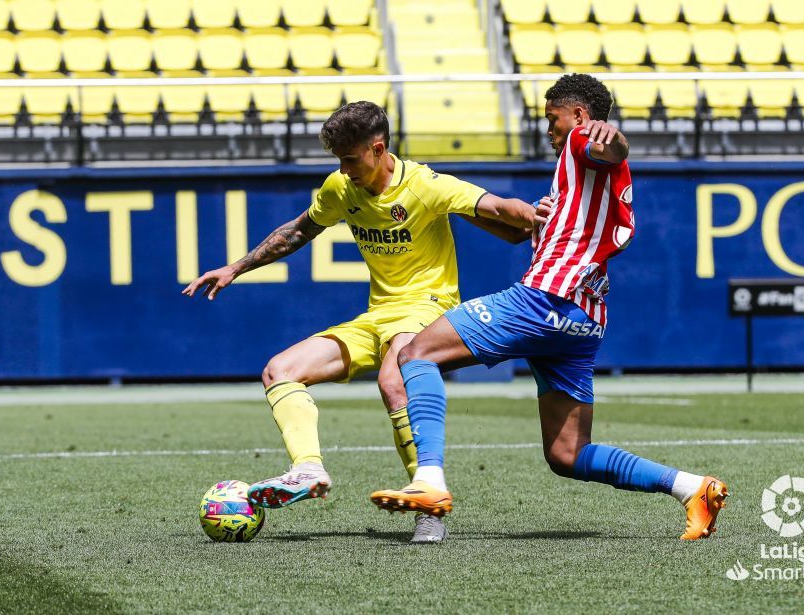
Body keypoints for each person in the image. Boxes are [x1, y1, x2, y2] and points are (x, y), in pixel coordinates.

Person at [369, 75, 729, 540]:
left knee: (415, 354)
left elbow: (612, 147)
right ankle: (692, 488)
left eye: (552, 118)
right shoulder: (576, 183)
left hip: (545, 299)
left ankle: (430, 482)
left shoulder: (585, 139)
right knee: (567, 455)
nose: (549, 129)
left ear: (578, 115)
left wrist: (612, 136)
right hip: (584, 317)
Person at [183, 101, 537, 543]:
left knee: (394, 380)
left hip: (427, 308)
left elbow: (499, 207)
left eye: (350, 159)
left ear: (378, 147)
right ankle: (308, 469)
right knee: (279, 370)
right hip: (377, 316)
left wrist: (539, 216)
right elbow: (297, 231)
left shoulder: (425, 185)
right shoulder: (341, 188)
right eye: (339, 160)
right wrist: (234, 268)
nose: (344, 169)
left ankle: (430, 502)